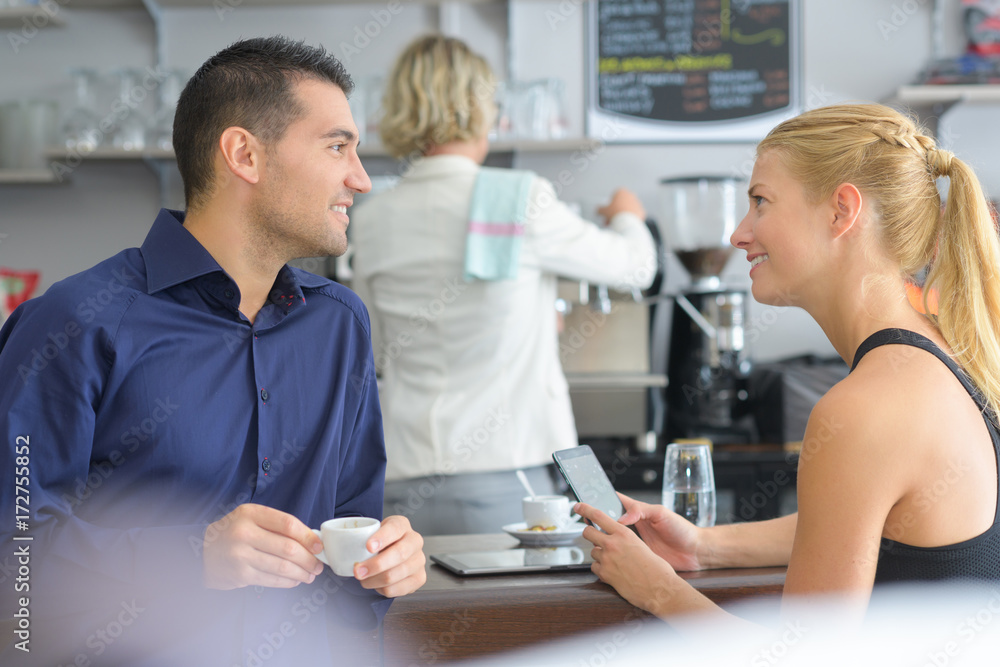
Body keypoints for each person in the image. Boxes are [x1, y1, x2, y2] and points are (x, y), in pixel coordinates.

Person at [0, 36, 425, 664]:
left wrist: (385, 566)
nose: (360, 178)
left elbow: (348, 537)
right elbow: (16, 560)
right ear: (244, 154)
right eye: (338, 146)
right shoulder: (73, 324)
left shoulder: (339, 325)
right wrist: (191, 556)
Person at [574, 103, 1000, 626]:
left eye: (760, 202)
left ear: (842, 211)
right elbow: (872, 523)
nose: (738, 235)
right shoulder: (941, 358)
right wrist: (704, 546)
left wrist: (656, 589)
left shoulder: (867, 409)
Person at [350, 35, 657, 535]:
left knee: (412, 615)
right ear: (482, 109)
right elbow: (635, 268)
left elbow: (377, 347)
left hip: (401, 481)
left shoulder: (371, 217)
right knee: (509, 613)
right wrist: (628, 216)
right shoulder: (519, 197)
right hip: (505, 473)